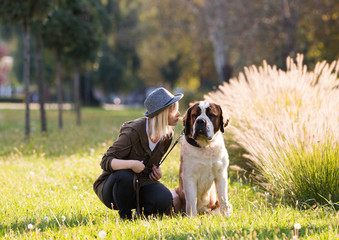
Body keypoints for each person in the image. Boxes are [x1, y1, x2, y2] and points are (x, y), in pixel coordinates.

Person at [93, 87, 183, 220]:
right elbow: (106, 161)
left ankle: (142, 215)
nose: (178, 114)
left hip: (141, 184)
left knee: (164, 198)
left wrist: (156, 173)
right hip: (114, 189)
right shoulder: (133, 131)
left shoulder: (167, 135)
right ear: (162, 113)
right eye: (173, 110)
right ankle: (126, 216)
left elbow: (152, 163)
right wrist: (132, 164)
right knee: (125, 175)